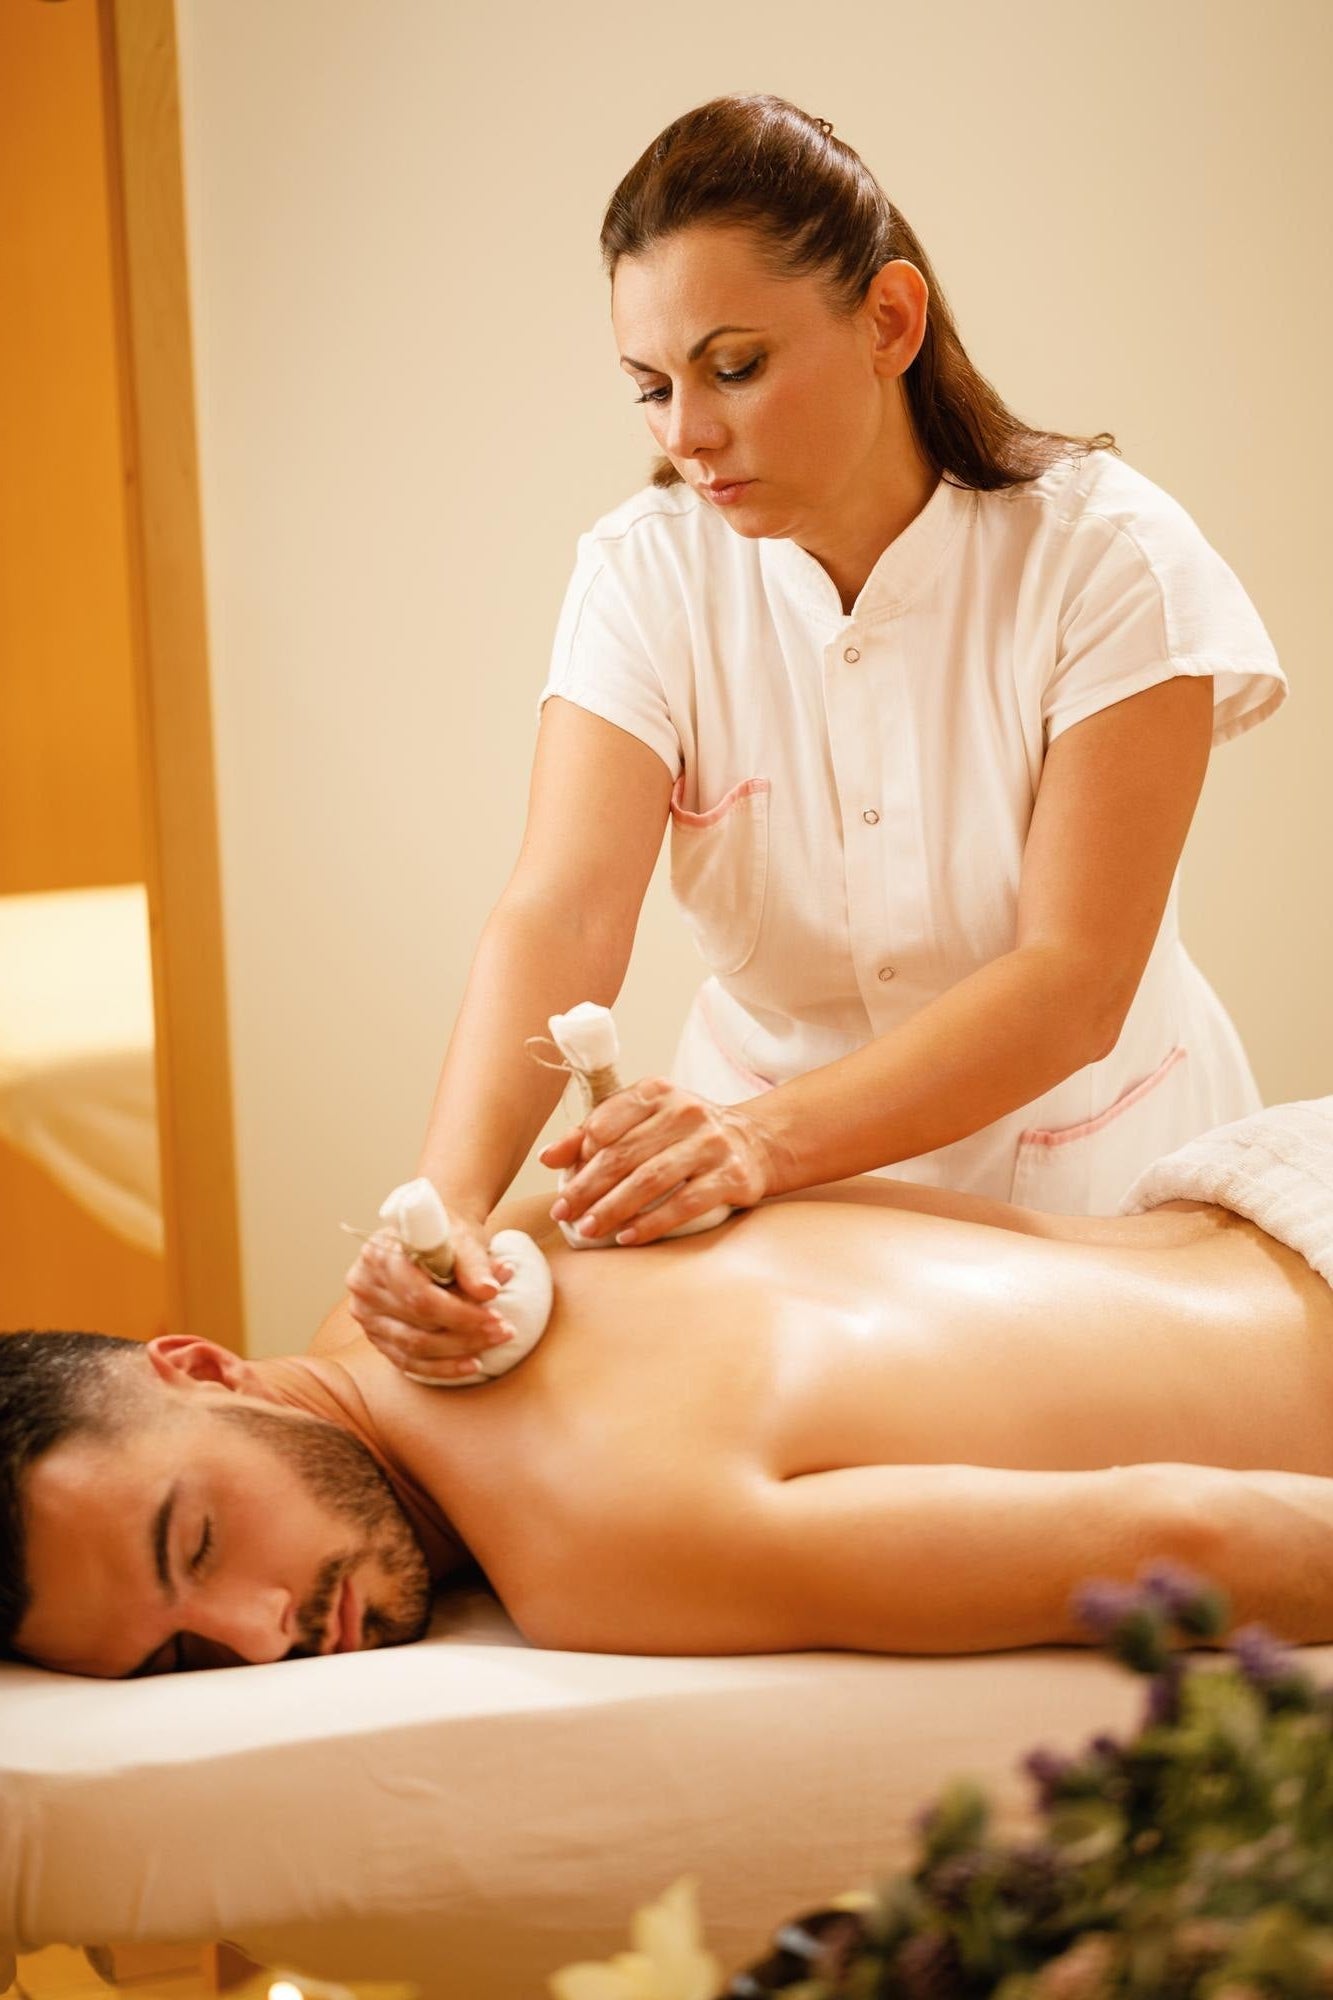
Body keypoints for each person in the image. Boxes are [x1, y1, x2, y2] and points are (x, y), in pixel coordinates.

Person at [347, 92, 1287, 1383]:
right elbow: (561, 916)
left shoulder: (1104, 560)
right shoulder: (646, 579)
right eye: (650, 387)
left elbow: (1071, 982)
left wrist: (757, 1143)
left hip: (1090, 1197)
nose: (685, 434)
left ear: (887, 321)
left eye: (733, 366)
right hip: (770, 1229)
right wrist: (445, 1206)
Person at [7, 1097, 1333, 1678]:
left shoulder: (590, 1543)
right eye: (178, 1661)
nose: (259, 1633)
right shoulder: (489, 1240)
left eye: (198, 1544)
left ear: (195, 1366)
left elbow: (1183, 1546)